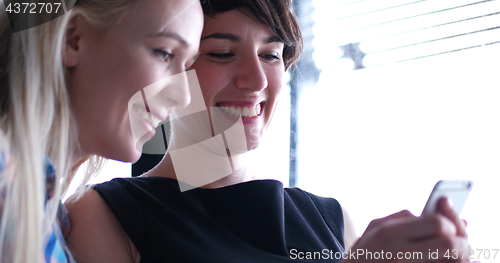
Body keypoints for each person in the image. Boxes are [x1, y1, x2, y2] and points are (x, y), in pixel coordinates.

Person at [65, 0, 472, 262]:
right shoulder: (100, 214)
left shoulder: (331, 220)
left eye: (271, 55)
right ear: (174, 60)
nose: (256, 79)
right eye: (222, 53)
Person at [0, 0, 203, 261]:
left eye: (186, 66)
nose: (184, 96)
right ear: (72, 38)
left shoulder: (52, 217)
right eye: (164, 53)